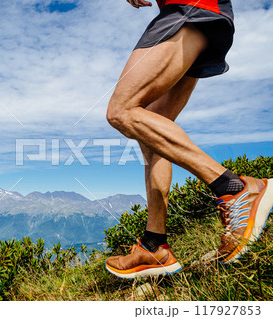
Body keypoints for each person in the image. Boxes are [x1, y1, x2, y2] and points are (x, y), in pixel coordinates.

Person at [105, 0, 273, 279]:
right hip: (198, 15)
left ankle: (235, 188)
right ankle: (153, 246)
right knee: (152, 134)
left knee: (121, 111)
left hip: (190, 9)